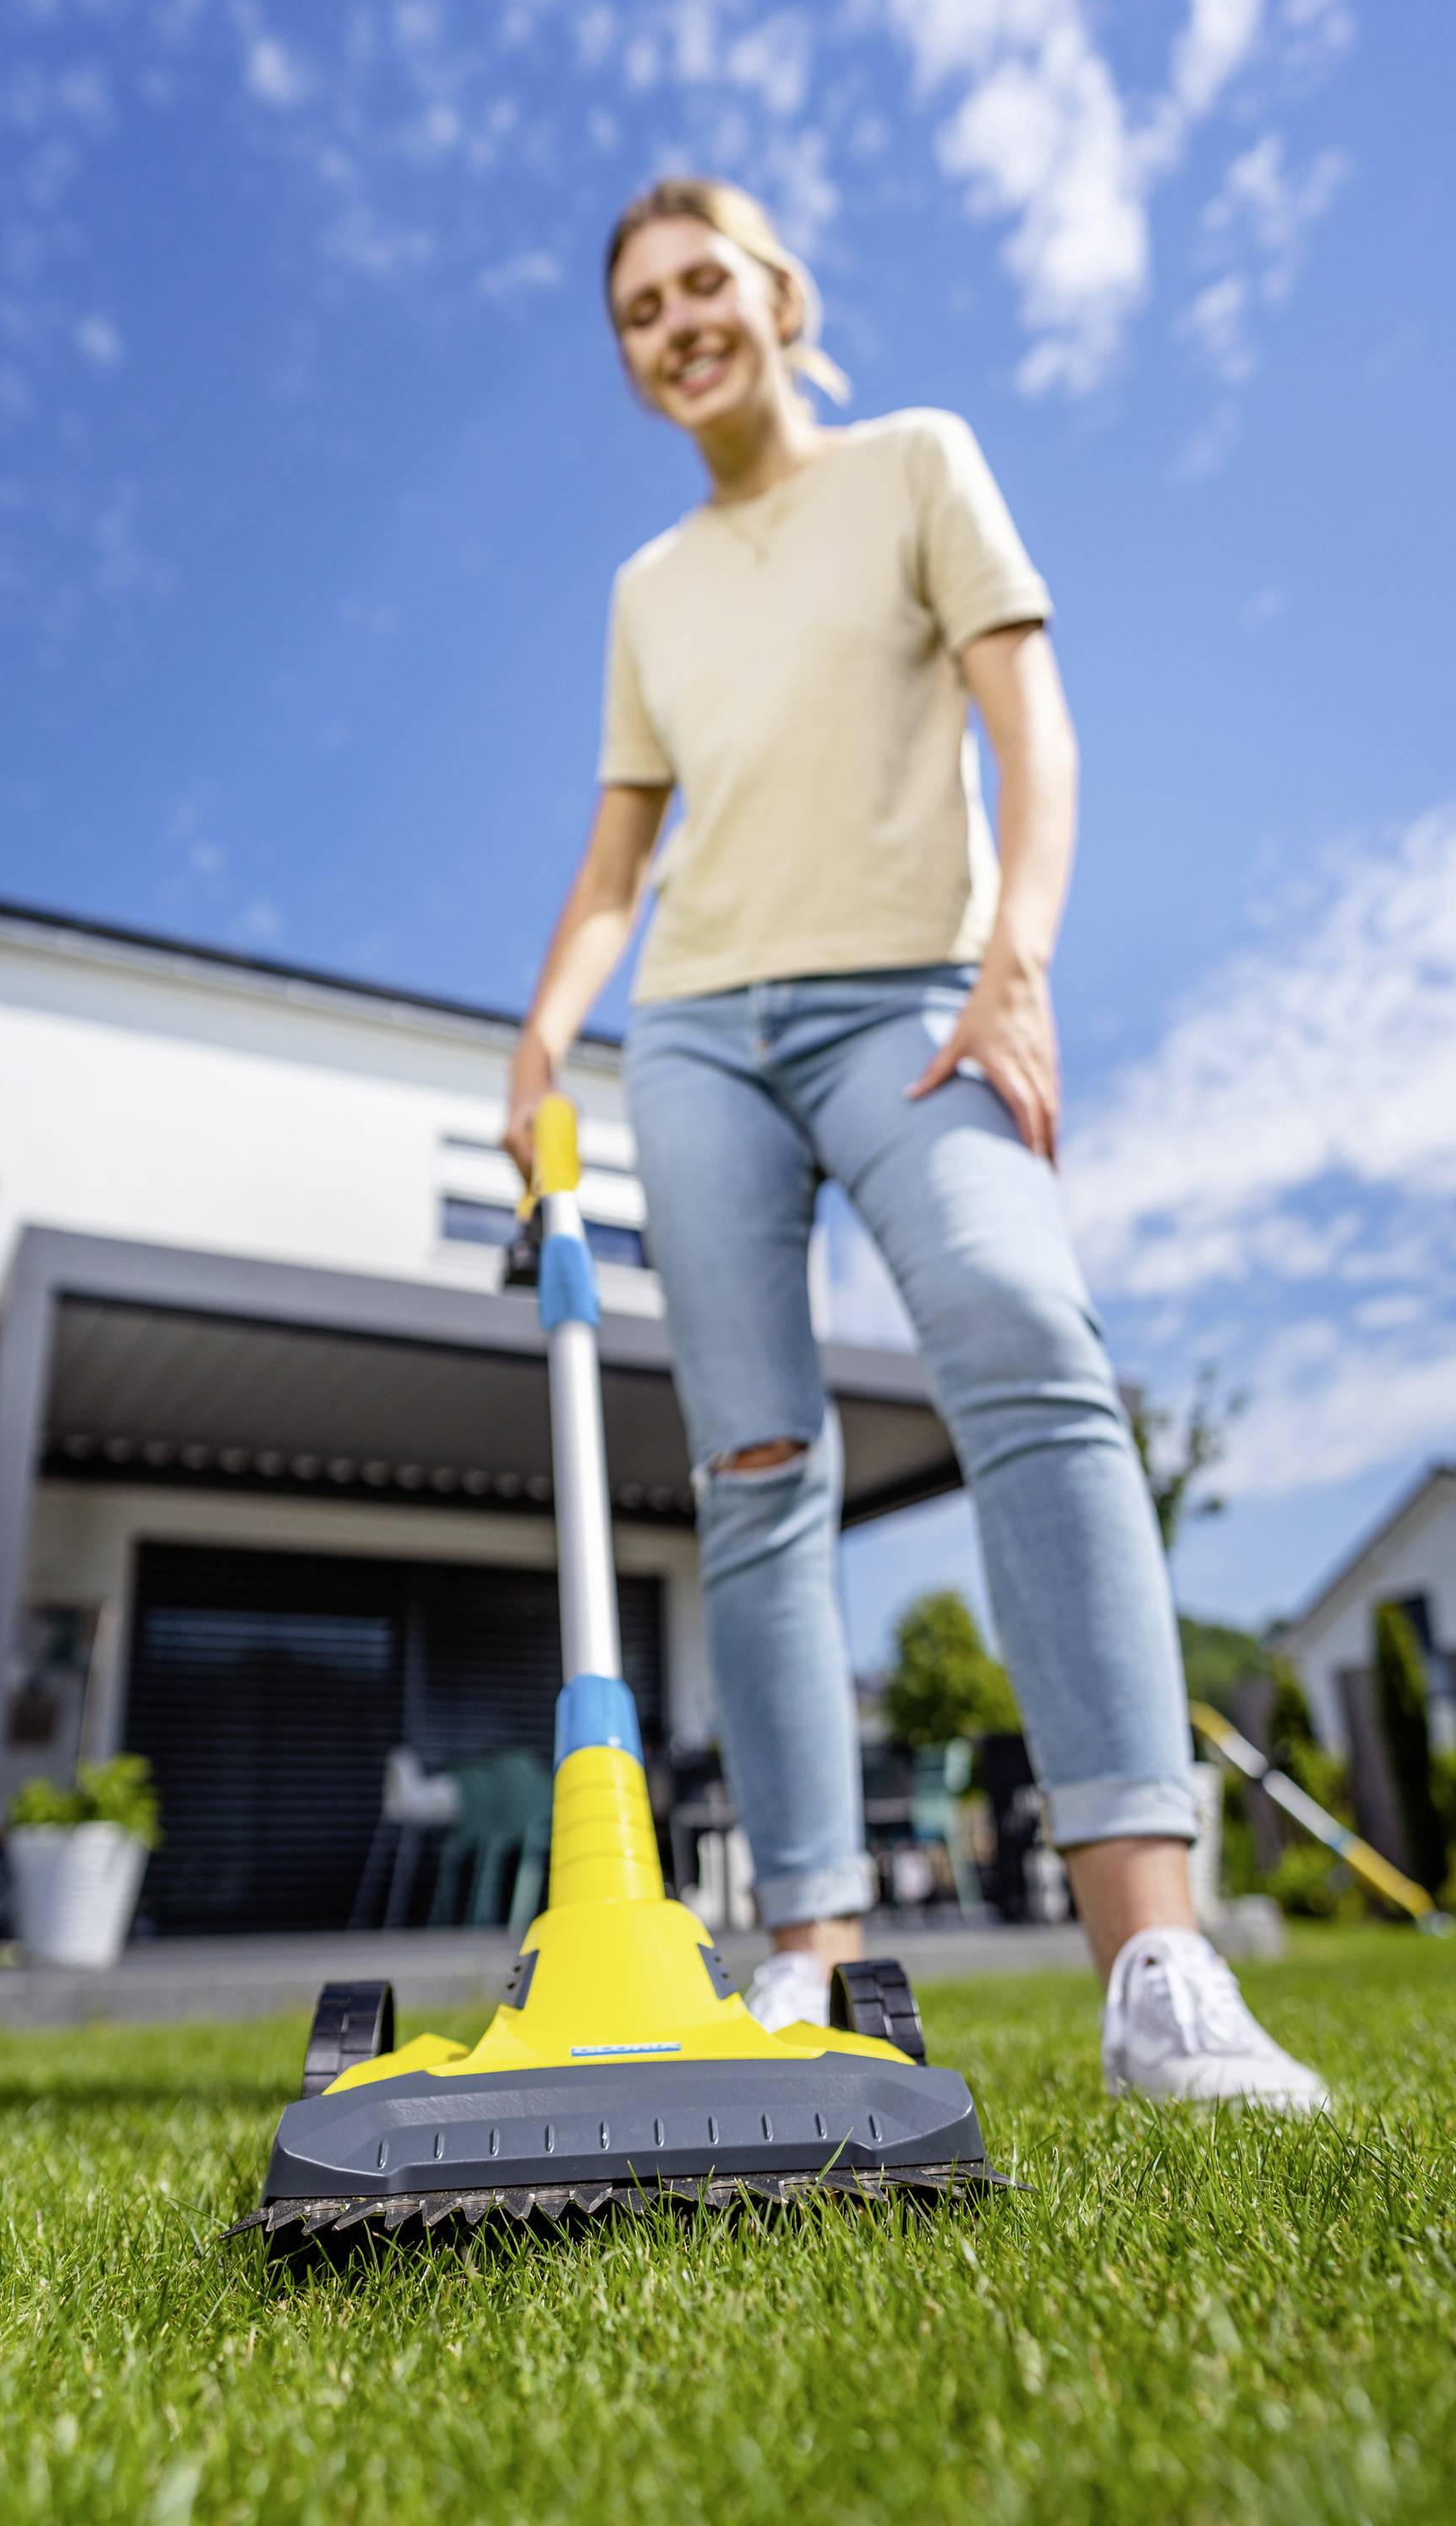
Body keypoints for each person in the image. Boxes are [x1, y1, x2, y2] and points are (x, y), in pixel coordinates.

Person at [505, 178, 1325, 2110]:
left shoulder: (915, 464)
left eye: (702, 282)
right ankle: (807, 1955)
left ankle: (1155, 1962)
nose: (676, 321)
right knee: (758, 1467)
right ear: (628, 357)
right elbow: (623, 856)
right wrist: (551, 1016)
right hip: (699, 1034)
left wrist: (1015, 966)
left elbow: (1029, 723)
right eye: (637, 308)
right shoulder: (647, 590)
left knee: (1027, 1346)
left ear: (778, 292)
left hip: (913, 997)